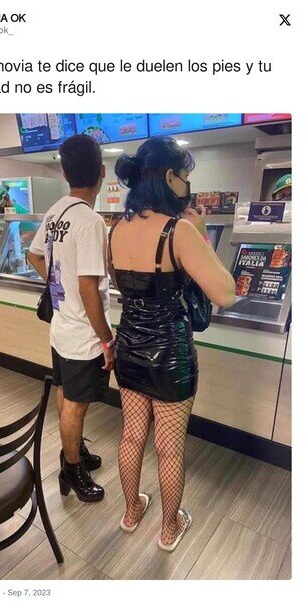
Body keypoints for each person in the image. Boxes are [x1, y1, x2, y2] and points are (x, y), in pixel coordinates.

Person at [109, 137, 236, 551]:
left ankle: (131, 512)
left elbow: (123, 287)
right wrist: (201, 235)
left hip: (128, 346)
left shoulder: (116, 229)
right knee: (169, 448)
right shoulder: (178, 231)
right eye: (185, 177)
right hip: (170, 356)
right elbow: (226, 293)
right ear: (169, 177)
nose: (187, 186)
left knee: (131, 437)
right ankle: (169, 528)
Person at [27, 134, 114, 503]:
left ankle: (73, 451)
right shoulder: (90, 221)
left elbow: (33, 255)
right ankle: (72, 471)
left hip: (61, 328)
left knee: (66, 394)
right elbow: (89, 289)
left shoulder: (55, 212)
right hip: (82, 335)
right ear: (102, 173)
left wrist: (56, 283)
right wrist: (107, 340)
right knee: (76, 405)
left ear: (64, 174)